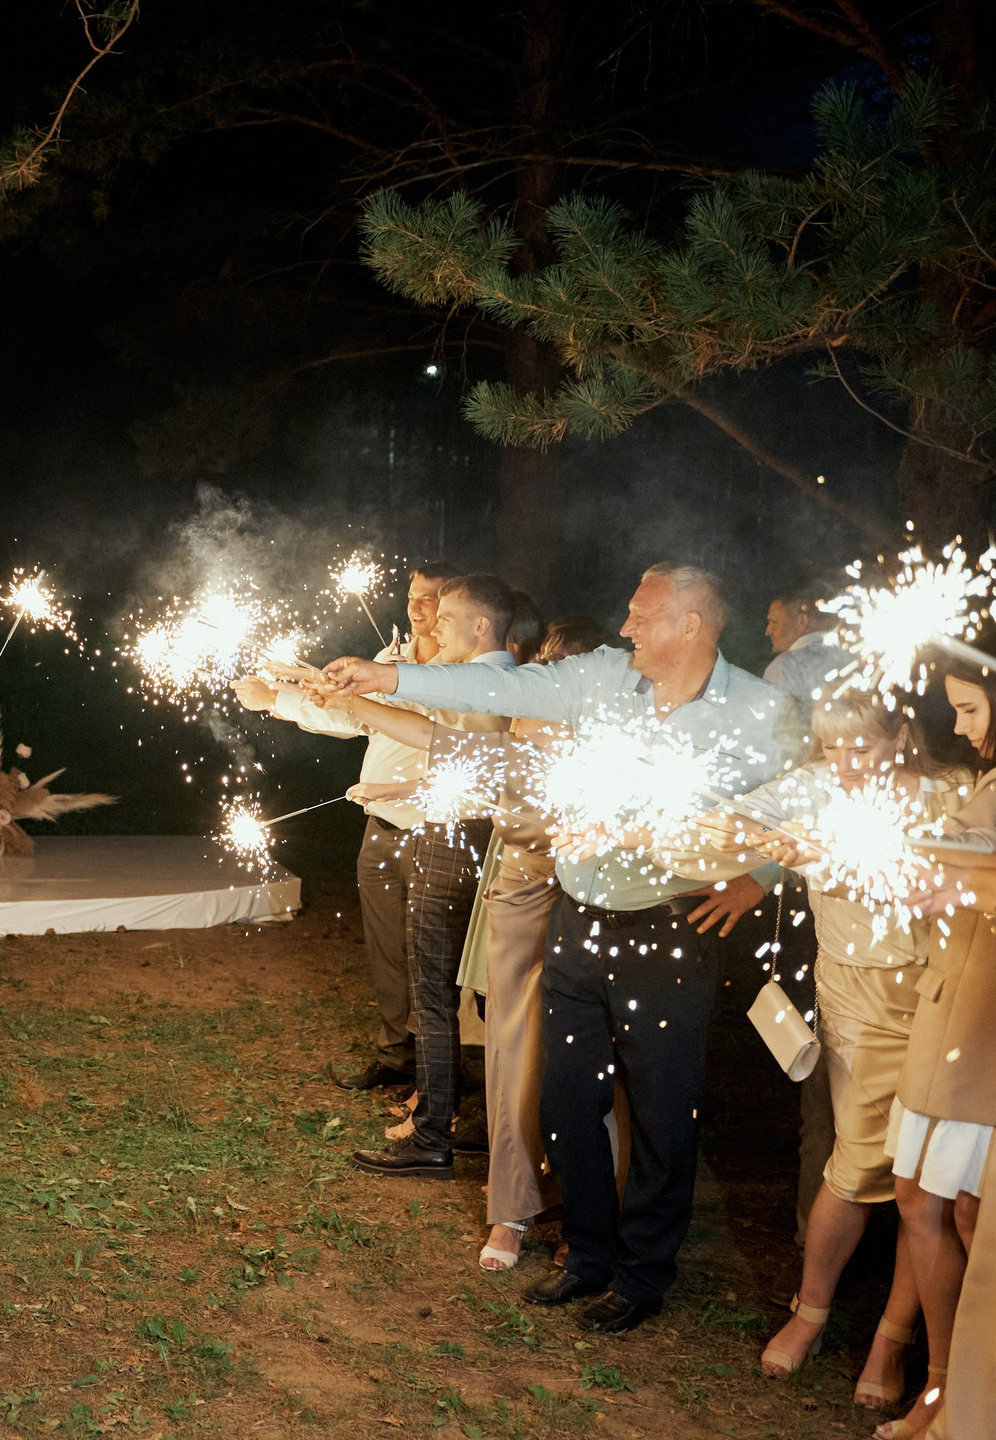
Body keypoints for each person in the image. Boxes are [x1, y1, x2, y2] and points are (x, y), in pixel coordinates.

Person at [324, 562, 806, 1332]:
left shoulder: (759, 709)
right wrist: (387, 676)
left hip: (669, 931)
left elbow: (814, 792)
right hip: (579, 917)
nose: (625, 627)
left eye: (642, 616)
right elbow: (502, 690)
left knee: (659, 1110)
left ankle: (643, 1272)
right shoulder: (603, 678)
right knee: (566, 1097)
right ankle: (585, 1254)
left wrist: (758, 876)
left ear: (692, 623)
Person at [315, 610, 610, 1267]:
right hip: (522, 897)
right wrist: (363, 699)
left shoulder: (614, 742)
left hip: (595, 906)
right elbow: (446, 743)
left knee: (588, 1067)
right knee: (513, 1052)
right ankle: (510, 1210)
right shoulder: (526, 725)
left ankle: (586, 1207)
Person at [721, 695, 962, 1403]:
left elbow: (935, 890)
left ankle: (893, 1339)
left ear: (903, 735)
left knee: (930, 1177)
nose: (846, 765)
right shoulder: (816, 788)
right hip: (857, 996)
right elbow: (731, 813)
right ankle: (810, 1313)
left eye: (861, 746)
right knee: (856, 1158)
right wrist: (765, 843)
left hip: (946, 993)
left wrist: (824, 852)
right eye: (832, 748)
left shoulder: (951, 797)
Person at [303, 573, 518, 1180]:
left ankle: (434, 1133)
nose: (433, 628)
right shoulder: (489, 681)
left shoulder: (486, 679)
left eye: (446, 618)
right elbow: (431, 737)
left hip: (454, 841)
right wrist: (351, 704)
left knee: (433, 989)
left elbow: (432, 726)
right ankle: (463, 1122)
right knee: (460, 991)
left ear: (480, 626)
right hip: (464, 836)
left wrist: (365, 686)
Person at [236, 560, 460, 1094]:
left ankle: (442, 1075)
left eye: (431, 598)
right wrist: (282, 700)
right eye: (412, 595)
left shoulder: (465, 669)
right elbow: (355, 719)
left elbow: (431, 729)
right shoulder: (392, 655)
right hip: (380, 825)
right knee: (388, 950)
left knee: (436, 956)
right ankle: (396, 1055)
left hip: (437, 826)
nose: (417, 606)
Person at [869, 658, 996, 1440]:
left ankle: (962, 1416)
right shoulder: (985, 783)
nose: (959, 725)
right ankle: (940, 1384)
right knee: (918, 1195)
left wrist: (954, 884)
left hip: (985, 1024)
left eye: (972, 707)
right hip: (946, 1001)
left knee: (970, 1215)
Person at [764, 576, 850, 1243]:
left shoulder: (789, 668)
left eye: (773, 616)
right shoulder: (860, 657)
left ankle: (812, 1227)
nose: (768, 630)